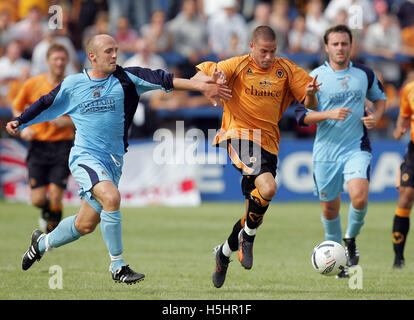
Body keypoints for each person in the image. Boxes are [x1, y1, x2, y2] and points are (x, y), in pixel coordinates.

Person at [5, 34, 232, 284]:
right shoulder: (73, 84)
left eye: (116, 50)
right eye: (108, 52)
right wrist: (21, 120)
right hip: (85, 157)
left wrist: (200, 85)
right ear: (92, 56)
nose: (114, 55)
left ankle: (41, 243)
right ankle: (118, 266)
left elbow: (166, 81)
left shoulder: (128, 78)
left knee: (85, 224)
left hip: (114, 162)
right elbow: (46, 103)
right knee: (112, 197)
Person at [193, 25, 320, 288]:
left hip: (269, 144)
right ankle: (248, 238)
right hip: (239, 134)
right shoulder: (238, 65)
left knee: (255, 208)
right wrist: (214, 74)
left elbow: (311, 105)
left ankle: (223, 253)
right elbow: (204, 70)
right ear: (252, 47)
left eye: (273, 51)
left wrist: (310, 95)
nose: (269, 56)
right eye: (264, 51)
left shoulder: (285, 70)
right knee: (269, 187)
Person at [294, 25, 386, 278]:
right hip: (325, 152)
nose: (340, 48)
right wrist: (327, 112)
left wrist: (376, 117)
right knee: (330, 210)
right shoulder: (314, 76)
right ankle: (338, 262)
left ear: (351, 45)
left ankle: (351, 238)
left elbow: (381, 98)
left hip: (356, 146)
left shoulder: (364, 74)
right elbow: (302, 116)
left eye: (344, 43)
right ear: (326, 47)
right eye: (335, 44)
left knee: (359, 197)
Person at [12, 43, 74, 233]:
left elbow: (86, 115)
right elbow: (17, 106)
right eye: (56, 58)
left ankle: (50, 237)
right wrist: (24, 128)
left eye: (63, 59)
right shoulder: (33, 84)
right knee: (37, 199)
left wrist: (68, 123)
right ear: (47, 61)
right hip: (38, 146)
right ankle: (49, 213)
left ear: (67, 61)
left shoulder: (72, 86)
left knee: (56, 195)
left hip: (63, 145)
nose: (59, 62)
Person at [391, 78, 414, 269]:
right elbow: (405, 115)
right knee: (405, 197)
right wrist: (400, 127)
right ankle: (398, 259)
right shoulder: (409, 89)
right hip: (413, 150)